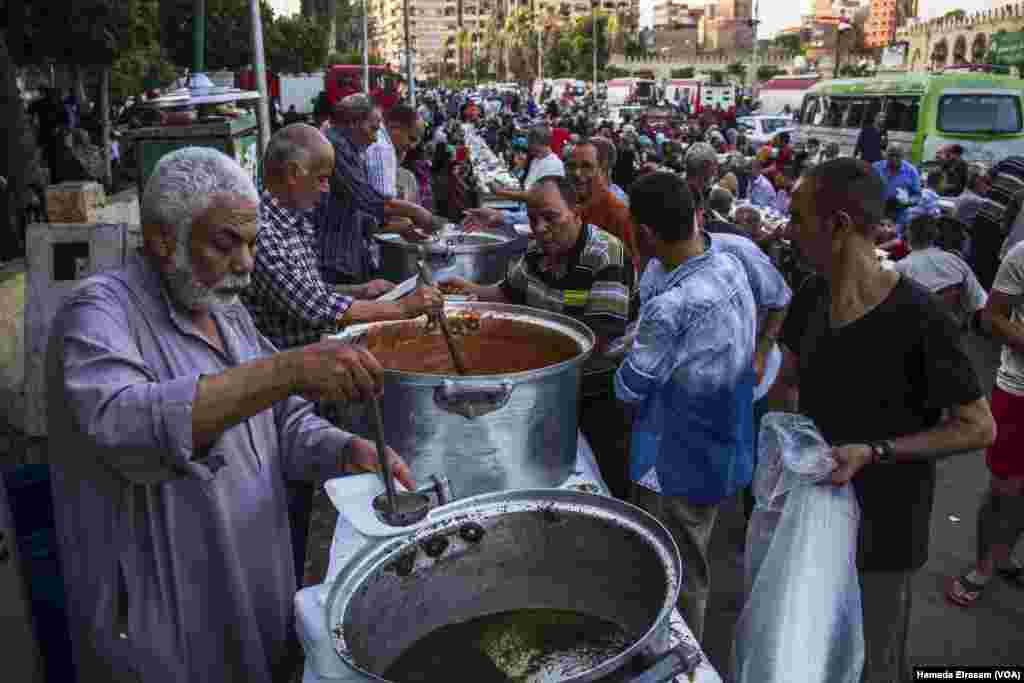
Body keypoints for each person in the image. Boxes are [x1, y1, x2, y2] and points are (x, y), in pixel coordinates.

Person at [45, 147, 418, 683]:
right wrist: (289, 369)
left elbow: (280, 418)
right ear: (161, 238)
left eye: (251, 243)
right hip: (163, 622)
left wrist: (342, 450)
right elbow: (126, 426)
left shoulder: (224, 308)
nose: (246, 264)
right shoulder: (98, 313)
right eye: (226, 243)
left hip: (248, 586)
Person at [779, 158, 996, 682]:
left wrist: (875, 451)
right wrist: (786, 441)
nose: (788, 230)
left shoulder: (920, 317)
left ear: (838, 227)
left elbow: (978, 426)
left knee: (875, 661)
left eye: (797, 217)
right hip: (814, 516)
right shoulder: (810, 295)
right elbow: (788, 380)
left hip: (884, 532)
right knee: (812, 649)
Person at [241, 126, 442, 585]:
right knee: (293, 494)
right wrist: (397, 309)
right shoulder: (263, 228)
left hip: (310, 378)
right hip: (286, 391)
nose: (328, 187)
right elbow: (313, 308)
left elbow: (313, 290)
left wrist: (359, 290)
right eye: (323, 176)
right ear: (293, 174)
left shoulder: (294, 218)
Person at [615, 172, 759, 641]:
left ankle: (676, 658)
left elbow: (628, 389)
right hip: (725, 444)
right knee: (694, 555)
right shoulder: (730, 262)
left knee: (673, 572)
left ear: (648, 234)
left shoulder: (673, 305)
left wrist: (622, 361)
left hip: (675, 458)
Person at [443, 176, 637, 501]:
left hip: (598, 393)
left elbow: (599, 340)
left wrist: (527, 365)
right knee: (544, 475)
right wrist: (467, 290)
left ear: (576, 213)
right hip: (549, 388)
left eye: (551, 217)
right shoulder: (537, 251)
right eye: (533, 219)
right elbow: (506, 293)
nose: (541, 228)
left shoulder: (606, 254)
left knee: (604, 480)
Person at [946, 240, 1024, 608]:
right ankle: (983, 566)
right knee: (1005, 488)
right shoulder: (1021, 255)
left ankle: (1004, 555)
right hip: (1018, 390)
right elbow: (991, 317)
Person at [314, 94, 442, 288]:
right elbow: (366, 199)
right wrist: (416, 212)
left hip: (347, 254)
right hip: (334, 258)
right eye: (373, 129)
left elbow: (360, 211)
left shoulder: (350, 149)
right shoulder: (335, 146)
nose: (375, 138)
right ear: (353, 123)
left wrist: (403, 228)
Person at [894, 215, 987, 329]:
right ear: (934, 236)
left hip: (916, 333)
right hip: (954, 334)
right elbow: (979, 302)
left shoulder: (900, 268)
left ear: (908, 236)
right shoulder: (955, 261)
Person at [567, 137, 642, 270]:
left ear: (602, 168)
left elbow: (629, 269)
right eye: (572, 166)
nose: (577, 173)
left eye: (586, 166)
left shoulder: (617, 213)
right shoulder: (569, 201)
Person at [367, 104, 426, 199]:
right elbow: (384, 203)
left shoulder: (382, 142)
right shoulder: (383, 148)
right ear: (395, 127)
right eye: (411, 139)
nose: (412, 146)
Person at [874, 144, 922, 230]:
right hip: (877, 212)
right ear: (885, 155)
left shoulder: (911, 171)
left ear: (903, 156)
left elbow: (918, 196)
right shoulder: (876, 167)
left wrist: (907, 200)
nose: (894, 159)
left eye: (898, 156)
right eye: (891, 155)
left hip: (899, 214)